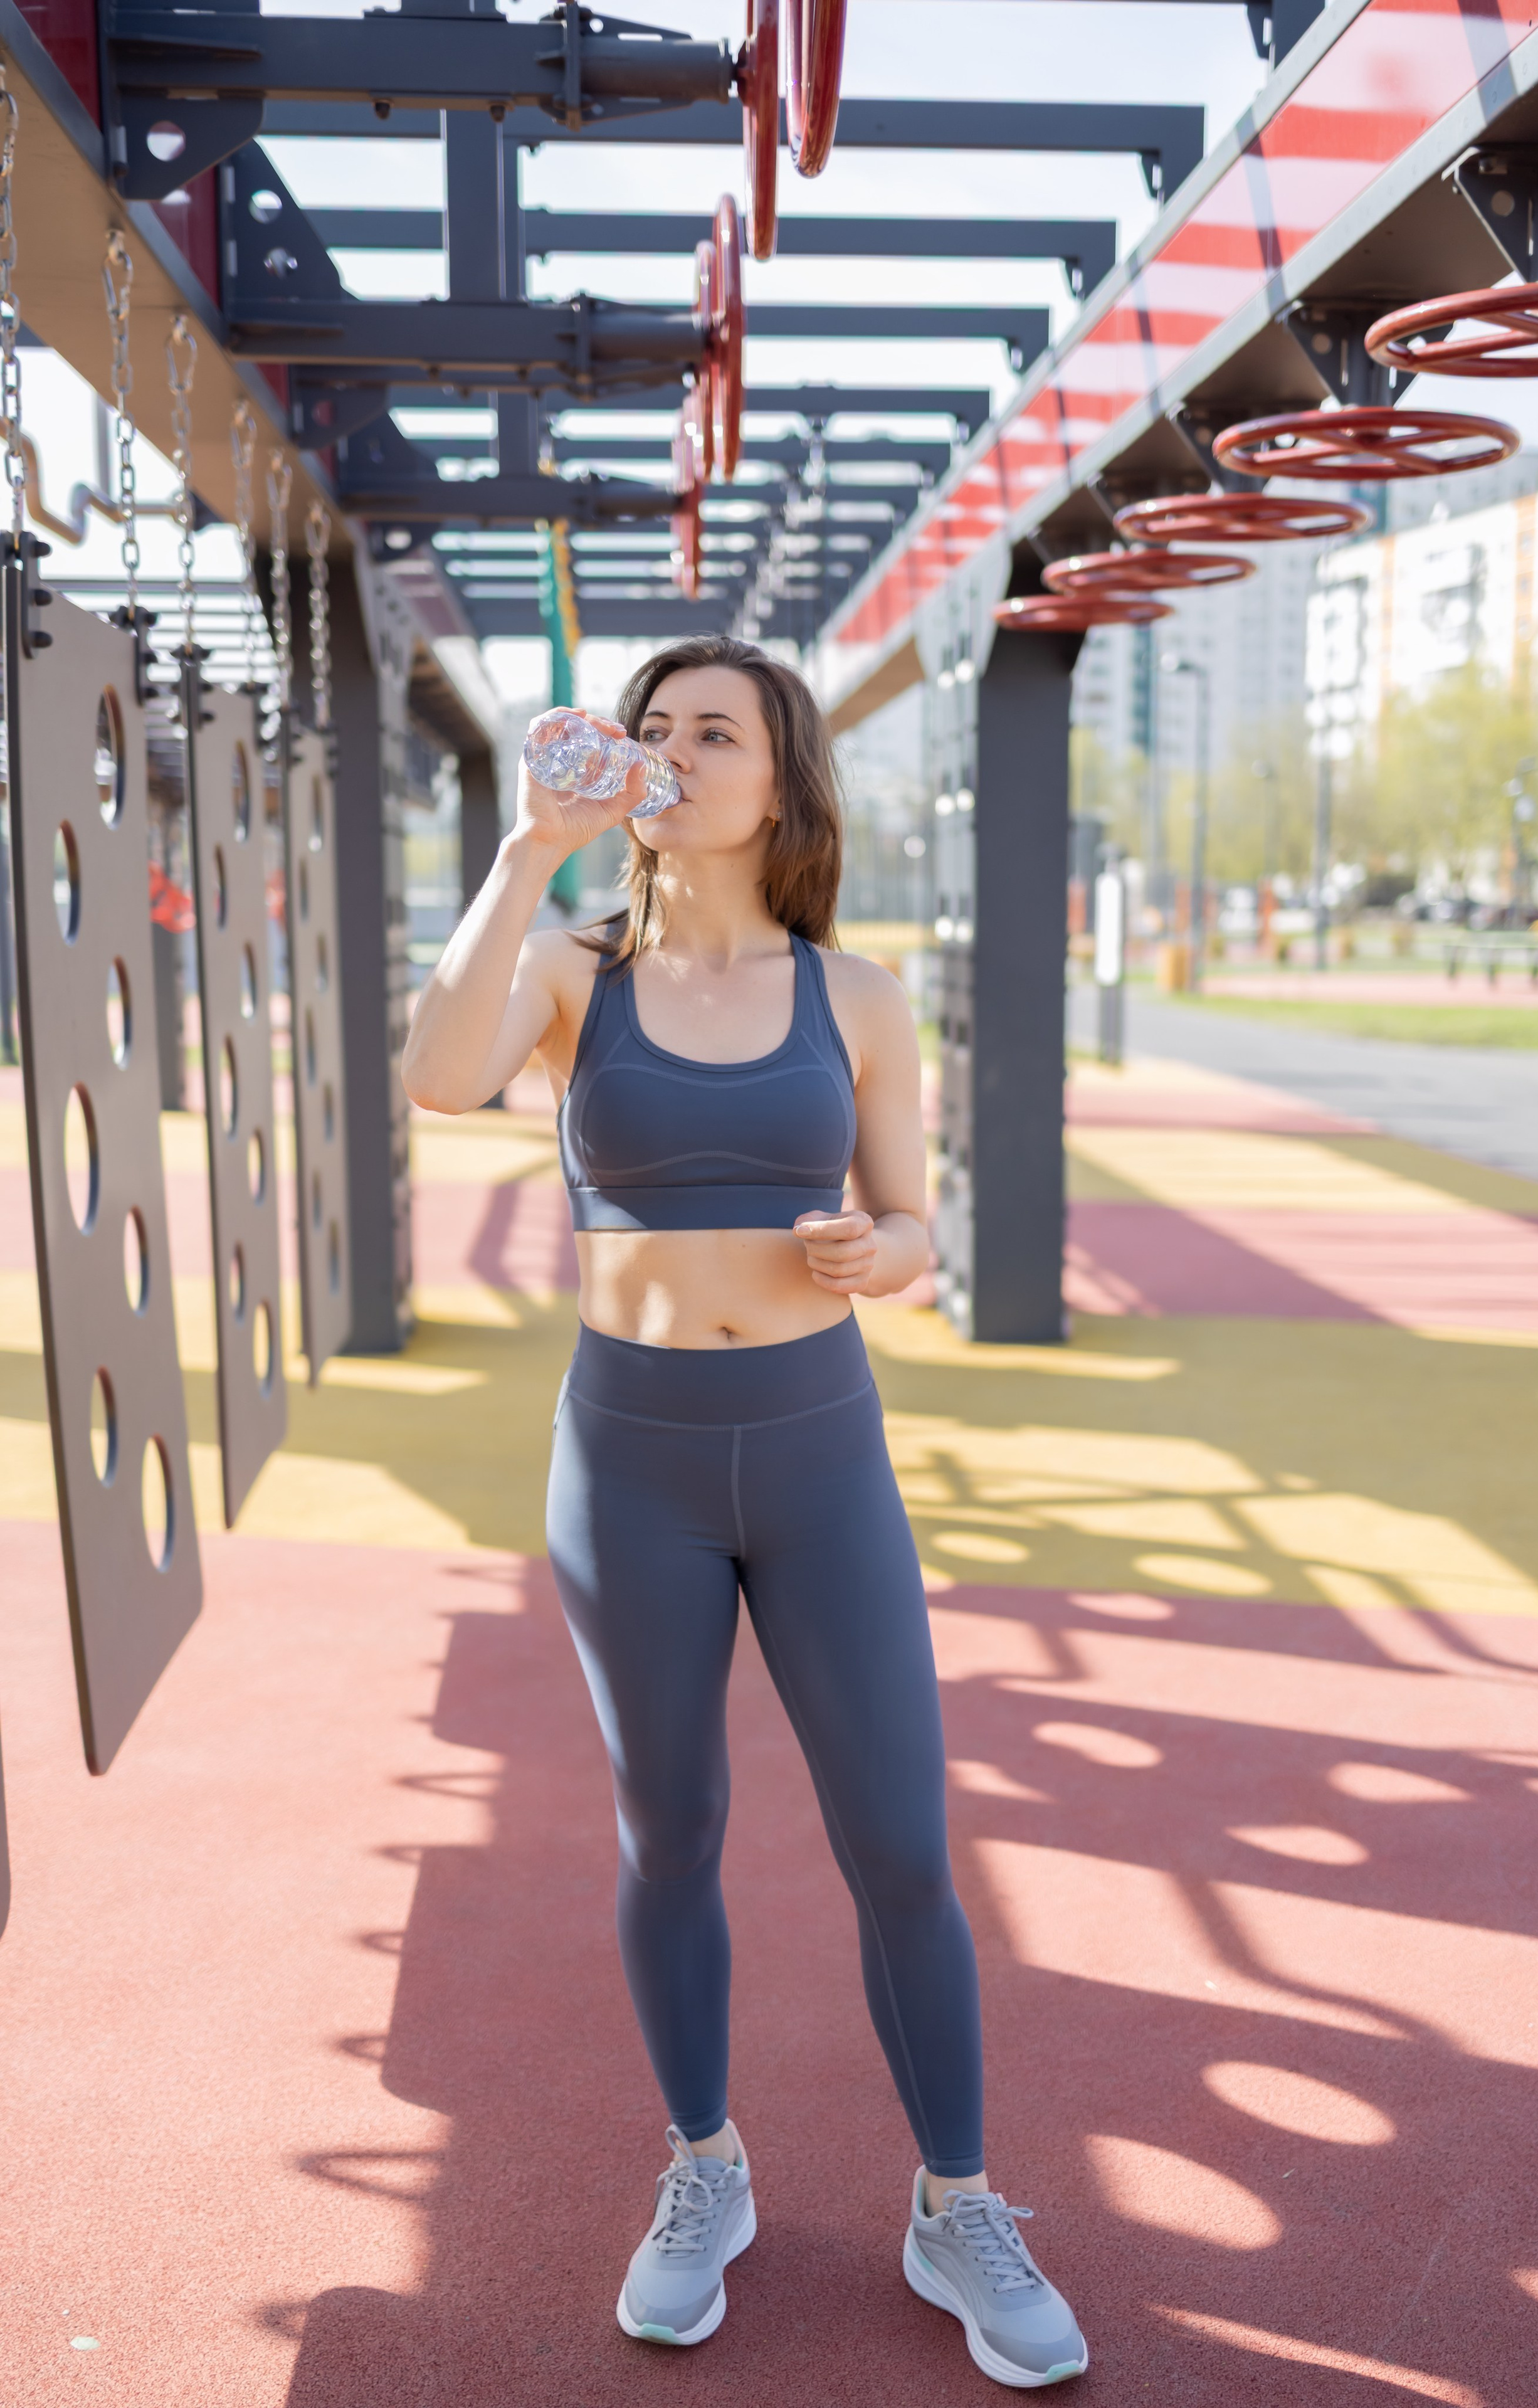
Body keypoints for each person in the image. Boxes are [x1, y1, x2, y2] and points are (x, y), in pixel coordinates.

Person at [402, 636, 1087, 2389]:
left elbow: (921, 1224)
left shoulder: (857, 997)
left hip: (816, 1451)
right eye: (658, 726)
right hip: (625, 1457)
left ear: (781, 780)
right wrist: (517, 849)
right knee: (670, 1832)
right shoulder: (570, 965)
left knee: (905, 1847)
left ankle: (961, 2205)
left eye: (720, 730)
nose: (678, 749)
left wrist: (899, 1254)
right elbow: (438, 1075)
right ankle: (705, 2169)